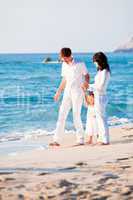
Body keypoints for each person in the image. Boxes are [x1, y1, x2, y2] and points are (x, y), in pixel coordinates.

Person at [50, 48, 90, 146]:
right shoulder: (64, 65)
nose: (61, 59)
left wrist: (85, 85)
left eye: (62, 57)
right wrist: (58, 92)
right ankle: (56, 140)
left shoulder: (80, 64)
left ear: (67, 56)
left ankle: (80, 139)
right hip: (67, 93)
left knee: (76, 115)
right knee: (62, 114)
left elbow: (87, 76)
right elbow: (64, 79)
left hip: (78, 92)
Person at [92, 52, 111, 145]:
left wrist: (89, 86)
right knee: (99, 118)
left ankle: (105, 140)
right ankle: (101, 138)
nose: (94, 63)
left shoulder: (105, 72)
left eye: (95, 61)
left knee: (101, 118)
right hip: (98, 96)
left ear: (99, 61)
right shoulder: (100, 72)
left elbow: (101, 87)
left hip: (101, 96)